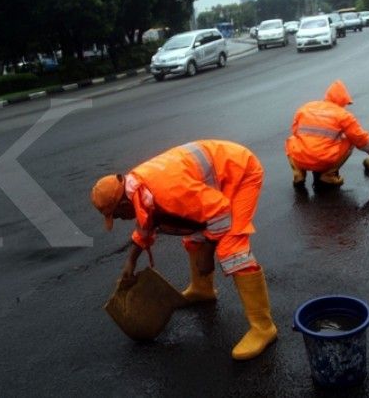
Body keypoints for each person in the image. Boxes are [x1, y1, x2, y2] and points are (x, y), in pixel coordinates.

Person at [91, 140, 277, 360]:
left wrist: (208, 253)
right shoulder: (136, 189)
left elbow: (219, 211)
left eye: (118, 215)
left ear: (123, 204)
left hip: (240, 172)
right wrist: (131, 261)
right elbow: (145, 218)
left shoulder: (167, 191)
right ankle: (203, 290)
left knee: (231, 247)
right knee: (195, 236)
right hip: (214, 182)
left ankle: (263, 328)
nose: (121, 220)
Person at [285, 79, 369, 188]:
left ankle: (298, 173)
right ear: (342, 100)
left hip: (300, 158)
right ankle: (328, 175)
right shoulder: (343, 115)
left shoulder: (305, 108)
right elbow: (359, 138)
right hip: (323, 160)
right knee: (350, 141)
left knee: (292, 140)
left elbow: (295, 131)